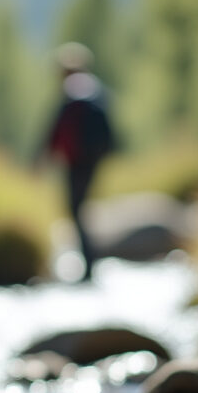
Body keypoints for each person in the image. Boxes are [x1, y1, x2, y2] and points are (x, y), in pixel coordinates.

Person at [37, 42, 115, 281]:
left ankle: (89, 266)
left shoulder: (71, 91)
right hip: (92, 161)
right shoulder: (97, 90)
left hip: (75, 161)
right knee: (82, 209)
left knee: (76, 210)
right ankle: (91, 263)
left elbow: (55, 128)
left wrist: (41, 156)